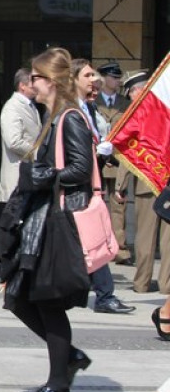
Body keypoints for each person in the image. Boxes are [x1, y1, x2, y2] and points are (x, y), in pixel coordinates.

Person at [0, 47, 93, 392]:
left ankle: (59, 382)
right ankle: (66, 361)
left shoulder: (69, 117)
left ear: (50, 81)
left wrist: (47, 175)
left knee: (45, 301)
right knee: (21, 297)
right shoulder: (54, 115)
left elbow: (81, 170)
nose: (31, 82)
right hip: (44, 219)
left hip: (58, 222)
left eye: (36, 76)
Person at [70, 58, 135, 315]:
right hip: (76, 186)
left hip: (88, 181)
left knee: (86, 241)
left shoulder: (88, 109)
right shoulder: (71, 111)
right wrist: (96, 152)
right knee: (90, 241)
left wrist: (101, 151)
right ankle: (105, 295)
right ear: (74, 80)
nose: (94, 80)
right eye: (88, 76)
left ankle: (96, 292)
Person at [113, 71, 170, 294]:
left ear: (138, 90)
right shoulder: (165, 110)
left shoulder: (137, 115)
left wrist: (120, 186)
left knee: (145, 239)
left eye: (131, 93)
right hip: (166, 183)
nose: (131, 97)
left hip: (148, 184)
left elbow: (127, 154)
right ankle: (167, 285)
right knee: (167, 240)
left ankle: (142, 283)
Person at [95, 61, 132, 265]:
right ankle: (100, 246)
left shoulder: (124, 103)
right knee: (97, 205)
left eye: (118, 78)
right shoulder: (94, 101)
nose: (117, 81)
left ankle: (120, 248)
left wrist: (114, 156)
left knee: (118, 205)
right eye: (113, 77)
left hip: (118, 160)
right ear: (103, 78)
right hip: (98, 160)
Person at [0, 68, 41, 203]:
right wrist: (38, 153)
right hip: (17, 176)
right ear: (22, 86)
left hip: (28, 175)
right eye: (33, 82)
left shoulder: (31, 106)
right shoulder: (12, 107)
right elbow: (14, 142)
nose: (37, 85)